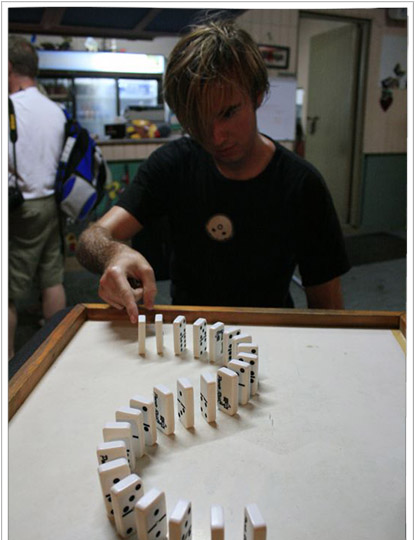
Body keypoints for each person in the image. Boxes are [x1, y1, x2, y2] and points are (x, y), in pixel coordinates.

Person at [76, 20, 350, 324]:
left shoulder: (302, 184)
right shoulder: (172, 164)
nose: (217, 136)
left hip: (273, 334)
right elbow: (92, 237)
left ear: (257, 95)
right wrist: (112, 254)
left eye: (229, 112)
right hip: (191, 336)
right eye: (199, 121)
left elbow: (328, 309)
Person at [8, 35, 67, 359]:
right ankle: (53, 349)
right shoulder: (55, 109)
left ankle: (8, 365)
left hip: (22, 208)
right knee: (52, 277)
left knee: (8, 291)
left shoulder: (9, 108)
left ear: (9, 67)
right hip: (51, 204)